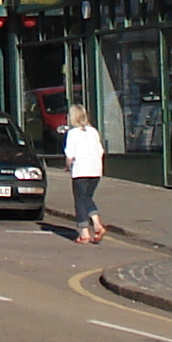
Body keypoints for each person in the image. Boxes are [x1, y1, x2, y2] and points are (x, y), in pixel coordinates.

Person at [64, 103, 106, 245]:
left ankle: (86, 232)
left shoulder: (73, 133)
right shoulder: (93, 131)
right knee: (87, 198)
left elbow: (70, 155)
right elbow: (100, 151)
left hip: (81, 169)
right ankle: (95, 225)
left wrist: (67, 166)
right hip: (95, 169)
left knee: (80, 200)